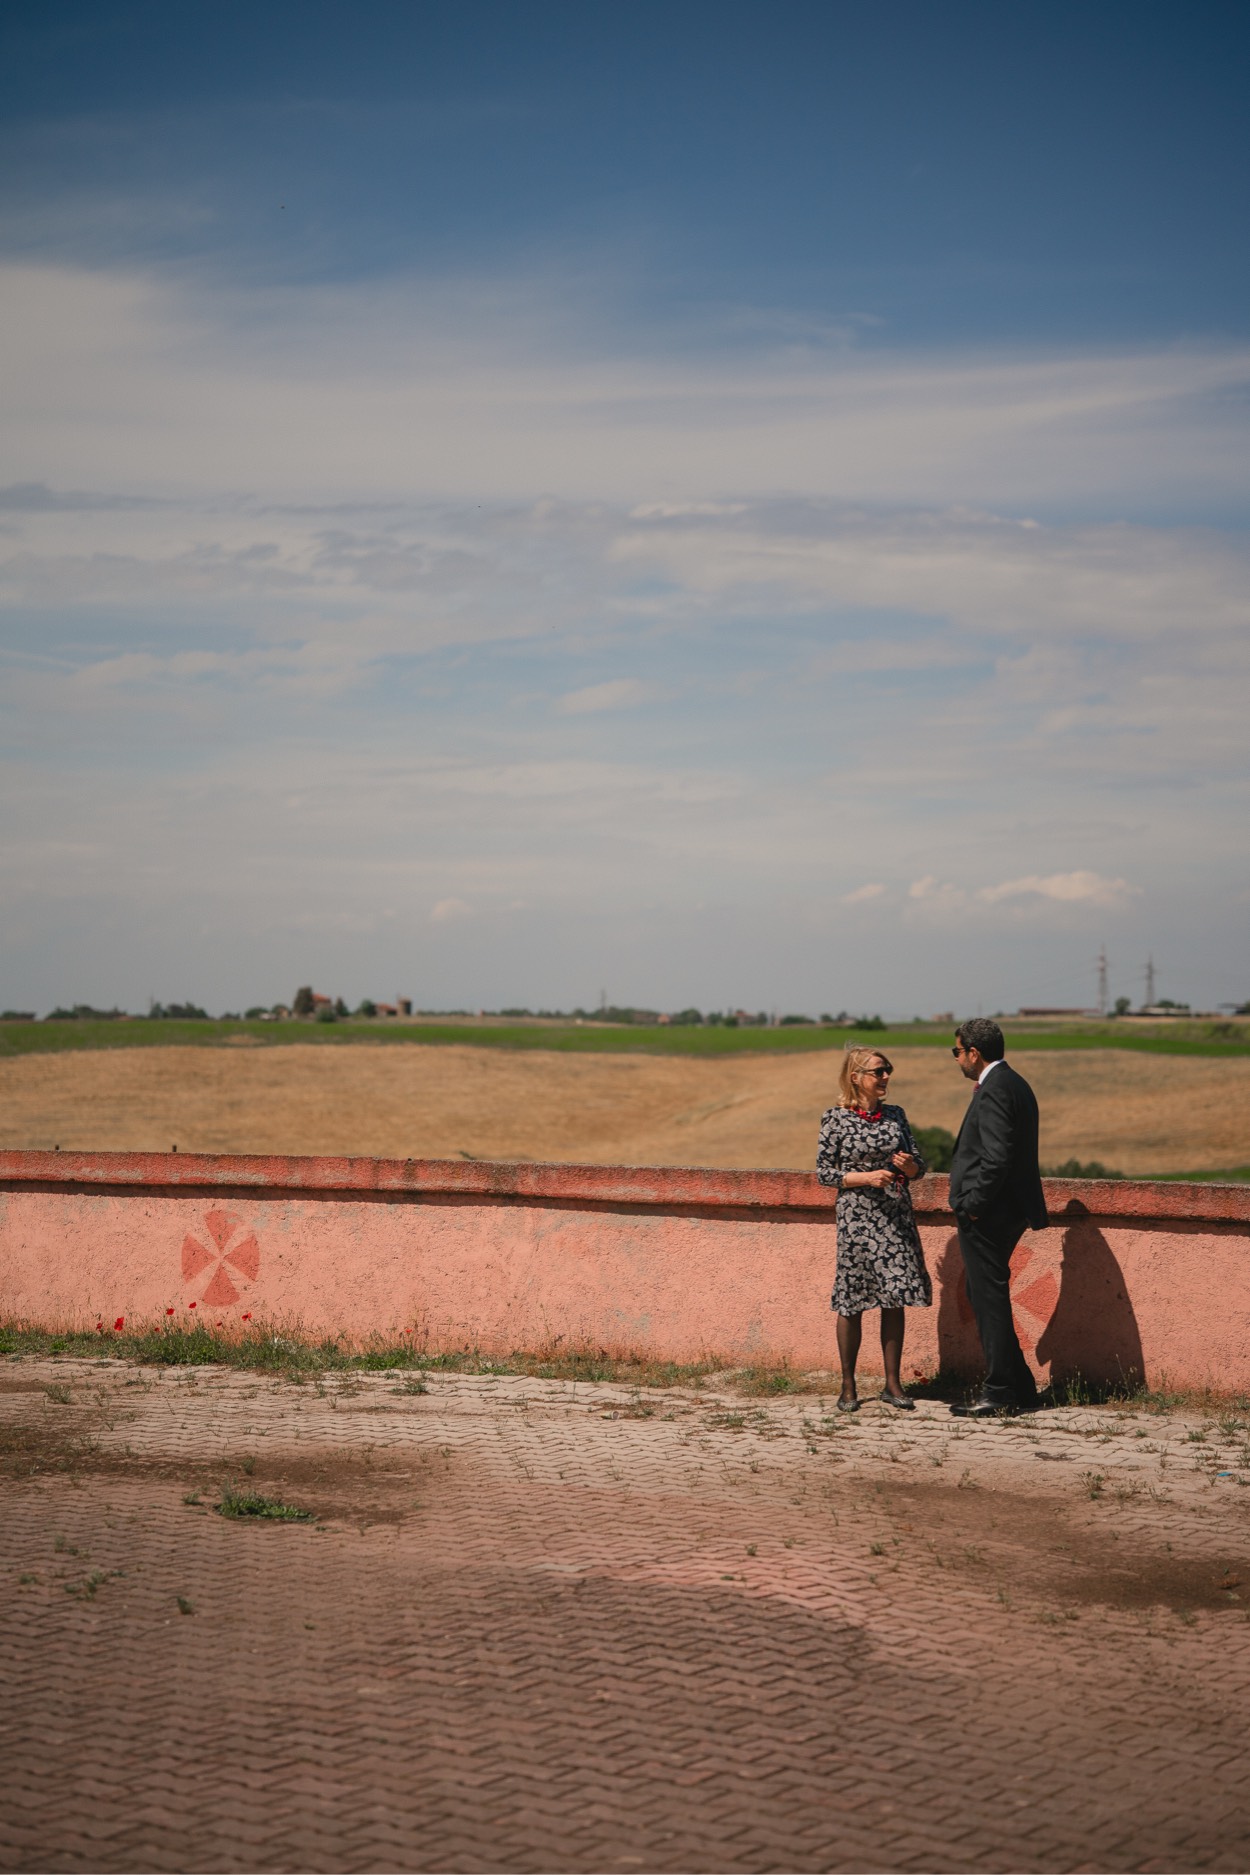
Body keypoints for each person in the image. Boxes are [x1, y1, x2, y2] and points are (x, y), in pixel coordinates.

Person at [816, 1047, 930, 1411]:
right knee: (852, 1299)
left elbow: (919, 1166)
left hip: (895, 1217)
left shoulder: (896, 1115)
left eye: (887, 1070)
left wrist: (910, 1167)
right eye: (878, 1071)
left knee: (894, 1297)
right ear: (856, 1077)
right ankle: (848, 1385)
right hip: (857, 1218)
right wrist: (866, 1177)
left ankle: (892, 1384)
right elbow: (824, 1173)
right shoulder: (835, 1118)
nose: (885, 1077)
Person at [947, 1017, 1048, 1417]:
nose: (957, 1059)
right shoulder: (1014, 1083)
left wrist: (973, 1205)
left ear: (974, 1052)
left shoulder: (995, 1089)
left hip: (990, 1213)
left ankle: (1001, 1392)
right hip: (1005, 1209)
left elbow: (997, 1157)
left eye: (957, 1051)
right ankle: (1019, 1385)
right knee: (983, 1294)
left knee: (988, 1298)